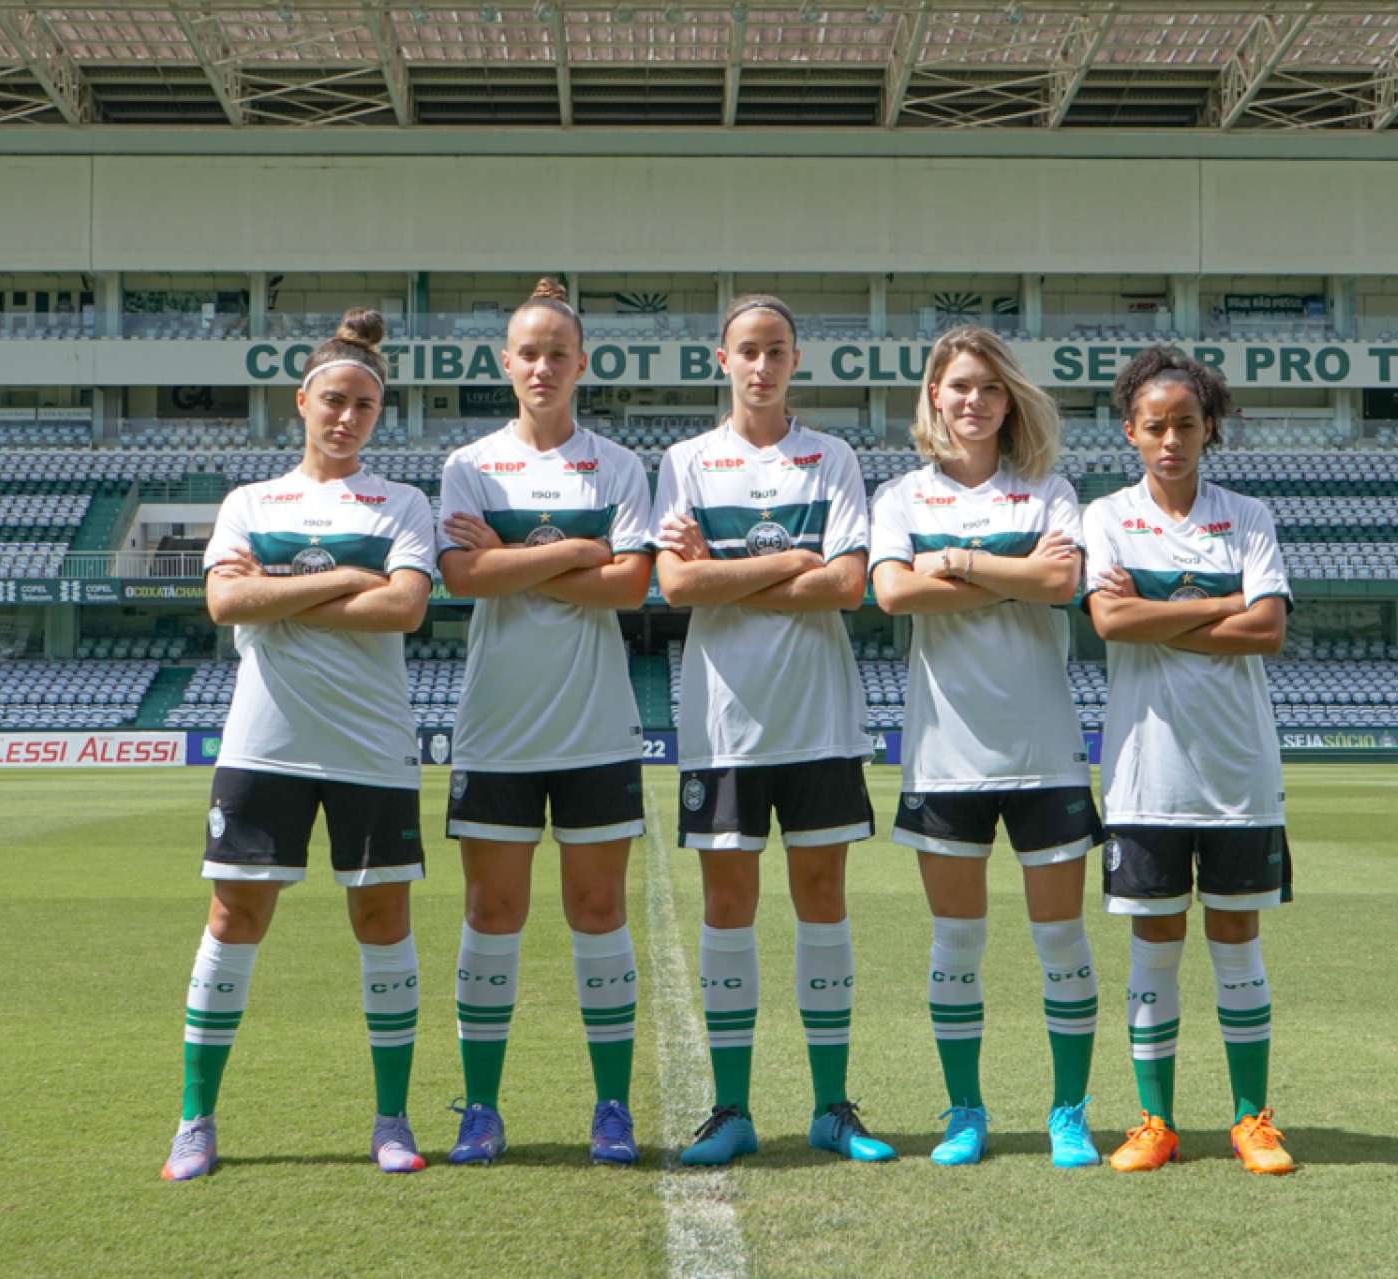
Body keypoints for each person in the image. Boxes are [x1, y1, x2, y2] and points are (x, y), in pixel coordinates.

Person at [161, 307, 439, 1181]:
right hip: (264, 745)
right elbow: (223, 604)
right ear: (302, 402)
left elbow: (403, 607)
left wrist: (284, 585)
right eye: (333, 400)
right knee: (232, 919)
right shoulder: (252, 501)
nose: (347, 416)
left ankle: (391, 1119)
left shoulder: (404, 501)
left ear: (376, 413)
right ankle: (194, 1119)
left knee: (382, 922)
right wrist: (352, 574)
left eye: (364, 405)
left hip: (371, 748)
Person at [654, 294, 892, 1167]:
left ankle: (831, 1106)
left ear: (796, 361)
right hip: (723, 727)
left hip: (818, 719)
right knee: (728, 908)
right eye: (747, 350)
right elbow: (675, 588)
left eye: (777, 350)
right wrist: (792, 557)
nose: (762, 365)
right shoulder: (684, 461)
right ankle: (731, 1108)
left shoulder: (831, 457)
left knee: (821, 902)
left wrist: (729, 567)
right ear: (722, 359)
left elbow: (844, 586)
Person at [870, 325, 1104, 1169]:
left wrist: (959, 560)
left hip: (1044, 753)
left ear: (1010, 400)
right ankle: (964, 1111)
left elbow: (1059, 582)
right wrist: (1005, 575)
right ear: (933, 394)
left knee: (1061, 941)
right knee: (955, 944)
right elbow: (893, 592)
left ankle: (1067, 1113)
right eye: (958, 385)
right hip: (944, 756)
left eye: (990, 387)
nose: (973, 400)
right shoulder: (899, 496)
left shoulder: (1047, 489)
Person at [435, 277, 656, 1167]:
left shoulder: (618, 465)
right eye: (527, 352)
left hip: (596, 727)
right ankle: (480, 1109)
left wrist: (512, 557)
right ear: (505, 363)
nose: (541, 366)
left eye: (557, 353)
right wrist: (575, 549)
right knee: (491, 912)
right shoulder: (469, 465)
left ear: (581, 365)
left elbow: (631, 585)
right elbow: (461, 577)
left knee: (598, 910)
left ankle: (611, 1106)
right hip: (497, 729)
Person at [1080, 344, 1296, 1175]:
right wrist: (1219, 606)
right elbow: (1107, 621)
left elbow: (1268, 629)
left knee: (1236, 941)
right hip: (1144, 774)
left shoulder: (1246, 517)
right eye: (1153, 425)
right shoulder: (1105, 517)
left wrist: (1157, 611)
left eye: (1184, 424)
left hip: (1238, 774)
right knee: (1153, 947)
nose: (1169, 439)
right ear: (1129, 431)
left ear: (1209, 427)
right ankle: (1154, 1121)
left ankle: (1252, 1119)